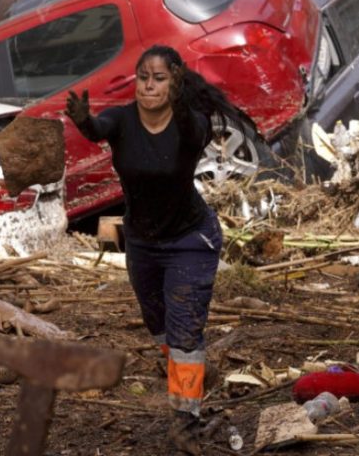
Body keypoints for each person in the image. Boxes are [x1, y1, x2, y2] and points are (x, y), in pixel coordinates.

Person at [65, 45, 236, 455]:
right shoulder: (123, 119)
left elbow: (195, 133)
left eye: (159, 78)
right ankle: (193, 372)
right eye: (143, 77)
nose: (148, 86)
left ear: (175, 81)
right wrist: (83, 119)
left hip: (190, 241)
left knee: (183, 333)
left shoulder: (191, 124)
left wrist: (177, 100)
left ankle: (185, 419)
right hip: (142, 242)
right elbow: (98, 128)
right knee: (158, 326)